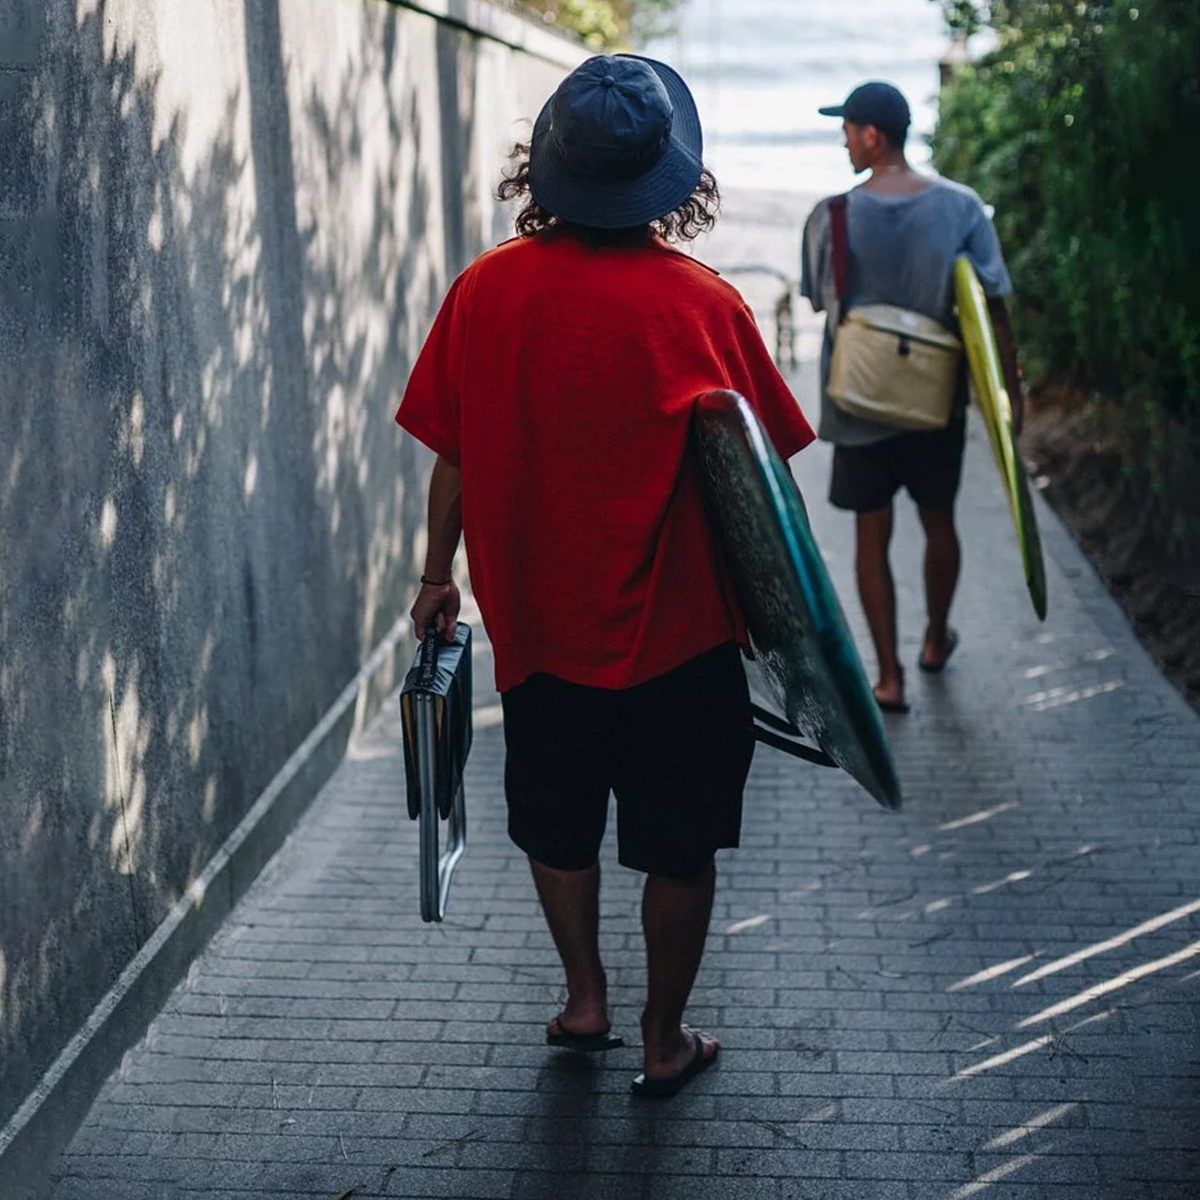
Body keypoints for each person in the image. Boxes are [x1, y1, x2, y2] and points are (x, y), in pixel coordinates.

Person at [396, 54, 814, 1098]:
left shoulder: (484, 292)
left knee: (555, 819)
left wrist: (435, 574)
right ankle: (663, 1037)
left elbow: (453, 448)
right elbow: (765, 493)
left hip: (537, 630)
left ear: (546, 172)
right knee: (679, 847)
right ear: (675, 179)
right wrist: (789, 627)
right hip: (682, 640)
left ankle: (583, 996)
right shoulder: (706, 308)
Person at [801, 82, 1022, 713]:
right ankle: (932, 639)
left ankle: (889, 677)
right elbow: (993, 310)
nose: (843, 138)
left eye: (847, 127)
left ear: (873, 135)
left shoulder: (832, 214)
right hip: (934, 404)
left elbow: (821, 298)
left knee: (872, 533)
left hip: (858, 403)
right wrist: (1011, 394)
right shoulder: (963, 207)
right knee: (939, 520)